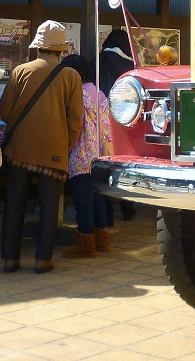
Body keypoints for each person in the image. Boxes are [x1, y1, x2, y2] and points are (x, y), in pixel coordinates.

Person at [0, 20, 83, 274]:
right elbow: (75, 118)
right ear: (61, 50)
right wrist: (67, 142)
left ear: (38, 47)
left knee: (14, 202)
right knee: (49, 205)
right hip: (55, 148)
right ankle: (42, 260)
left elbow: (5, 111)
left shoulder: (20, 71)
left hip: (19, 147)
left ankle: (10, 259)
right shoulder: (71, 76)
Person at [58, 53, 113, 258]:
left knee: (82, 200)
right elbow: (107, 127)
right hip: (99, 156)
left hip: (80, 153)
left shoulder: (76, 94)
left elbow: (74, 124)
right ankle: (102, 239)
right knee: (97, 197)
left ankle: (86, 243)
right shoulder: (99, 93)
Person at [98, 29, 137, 222]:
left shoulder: (100, 59)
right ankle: (127, 208)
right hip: (125, 121)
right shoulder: (131, 65)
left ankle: (107, 213)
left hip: (104, 120)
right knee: (123, 163)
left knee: (105, 164)